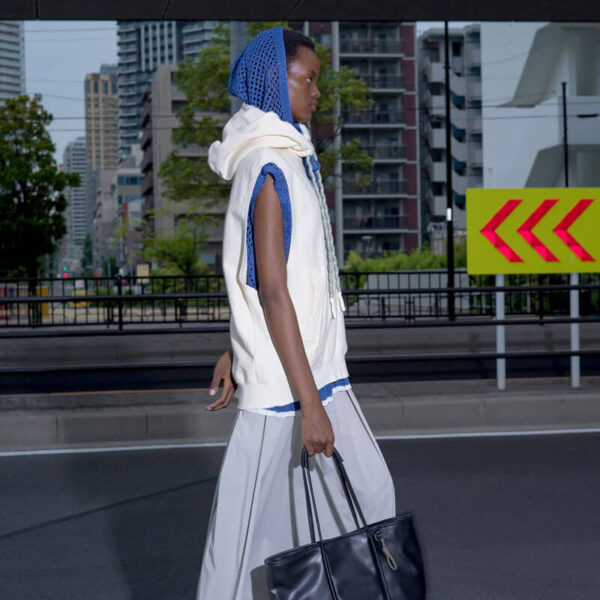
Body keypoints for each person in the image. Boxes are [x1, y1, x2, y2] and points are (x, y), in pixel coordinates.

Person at [196, 26, 396, 600]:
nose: (316, 91)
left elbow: (283, 278)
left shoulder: (291, 156)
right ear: (273, 83)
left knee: (367, 499)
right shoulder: (267, 167)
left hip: (317, 367)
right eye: (307, 79)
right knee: (240, 541)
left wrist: (236, 346)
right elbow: (272, 290)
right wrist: (309, 405)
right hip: (288, 386)